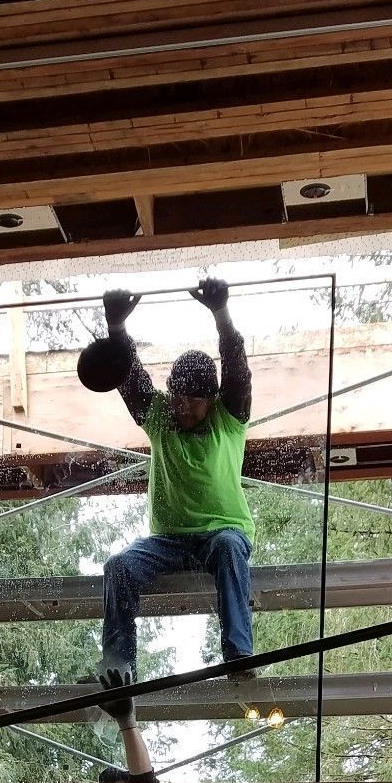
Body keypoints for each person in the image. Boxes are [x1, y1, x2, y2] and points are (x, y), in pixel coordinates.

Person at [97, 276, 255, 684]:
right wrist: (116, 327)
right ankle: (118, 667)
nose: (181, 408)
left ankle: (238, 657)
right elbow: (130, 381)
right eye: (177, 398)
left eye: (191, 401)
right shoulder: (161, 417)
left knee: (225, 547)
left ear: (210, 400)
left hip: (223, 533)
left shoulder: (229, 417)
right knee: (118, 567)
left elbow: (237, 369)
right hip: (167, 542)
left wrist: (221, 314)